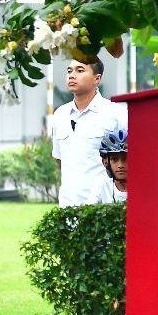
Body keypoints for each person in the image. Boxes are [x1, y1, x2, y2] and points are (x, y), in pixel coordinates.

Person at [50, 57, 128, 207]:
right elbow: (60, 160)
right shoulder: (60, 114)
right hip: (67, 207)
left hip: (103, 208)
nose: (72, 75)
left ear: (96, 78)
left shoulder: (116, 113)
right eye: (69, 71)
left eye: (80, 70)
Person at [87, 129, 128, 204]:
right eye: (114, 159)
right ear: (105, 162)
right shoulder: (101, 187)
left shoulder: (142, 187)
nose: (120, 165)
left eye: (126, 159)